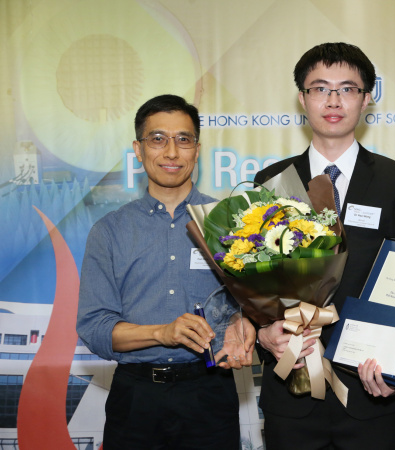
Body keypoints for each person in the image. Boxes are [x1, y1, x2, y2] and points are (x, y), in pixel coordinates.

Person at [253, 42, 395, 450]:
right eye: (319, 88)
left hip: (372, 393)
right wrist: (262, 333)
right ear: (302, 98)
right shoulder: (272, 180)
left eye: (347, 89)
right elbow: (256, 279)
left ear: (366, 99)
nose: (333, 100)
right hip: (291, 390)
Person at [77, 94, 256, 450]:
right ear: (138, 149)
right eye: (158, 139)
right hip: (136, 399)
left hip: (210, 393)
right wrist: (163, 332)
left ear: (197, 149)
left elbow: (255, 304)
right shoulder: (110, 230)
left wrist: (247, 322)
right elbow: (95, 327)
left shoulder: (232, 223)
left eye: (183, 139)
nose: (171, 152)